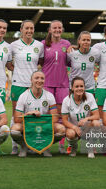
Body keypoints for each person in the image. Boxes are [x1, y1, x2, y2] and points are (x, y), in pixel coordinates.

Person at [10, 70, 65, 157]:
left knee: (61, 129)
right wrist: (29, 114)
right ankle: (24, 146)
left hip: (43, 125)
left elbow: (55, 118)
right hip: (28, 125)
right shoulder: (23, 96)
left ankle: (46, 146)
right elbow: (17, 118)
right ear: (31, 80)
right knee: (14, 130)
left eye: (42, 78)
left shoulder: (49, 96)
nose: (39, 80)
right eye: (36, 78)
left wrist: (41, 119)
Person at [10, 20, 44, 154]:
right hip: (18, 84)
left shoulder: (39, 45)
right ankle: (14, 145)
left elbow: (40, 63)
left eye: (32, 28)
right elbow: (8, 64)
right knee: (16, 116)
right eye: (27, 28)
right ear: (21, 29)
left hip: (33, 86)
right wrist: (18, 70)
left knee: (32, 116)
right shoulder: (13, 45)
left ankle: (30, 143)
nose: (29, 31)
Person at [42, 20, 71, 154]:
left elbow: (71, 62)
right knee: (47, 116)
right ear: (50, 30)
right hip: (47, 84)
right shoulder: (43, 44)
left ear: (62, 29)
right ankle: (44, 144)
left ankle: (61, 145)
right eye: (55, 28)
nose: (57, 30)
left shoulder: (67, 44)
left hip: (62, 84)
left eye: (59, 27)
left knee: (61, 115)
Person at [61, 76, 100, 158]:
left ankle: (90, 148)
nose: (79, 88)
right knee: (70, 134)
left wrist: (86, 119)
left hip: (86, 127)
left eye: (81, 86)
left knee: (96, 123)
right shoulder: (66, 100)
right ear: (72, 88)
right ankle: (73, 147)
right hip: (73, 128)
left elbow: (97, 115)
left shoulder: (89, 96)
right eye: (77, 86)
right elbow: (64, 120)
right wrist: (74, 127)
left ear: (84, 87)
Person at [67, 31, 100, 95]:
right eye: (84, 40)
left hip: (89, 87)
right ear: (79, 41)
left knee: (89, 105)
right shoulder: (71, 53)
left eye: (88, 40)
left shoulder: (95, 52)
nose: (86, 42)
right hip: (74, 87)